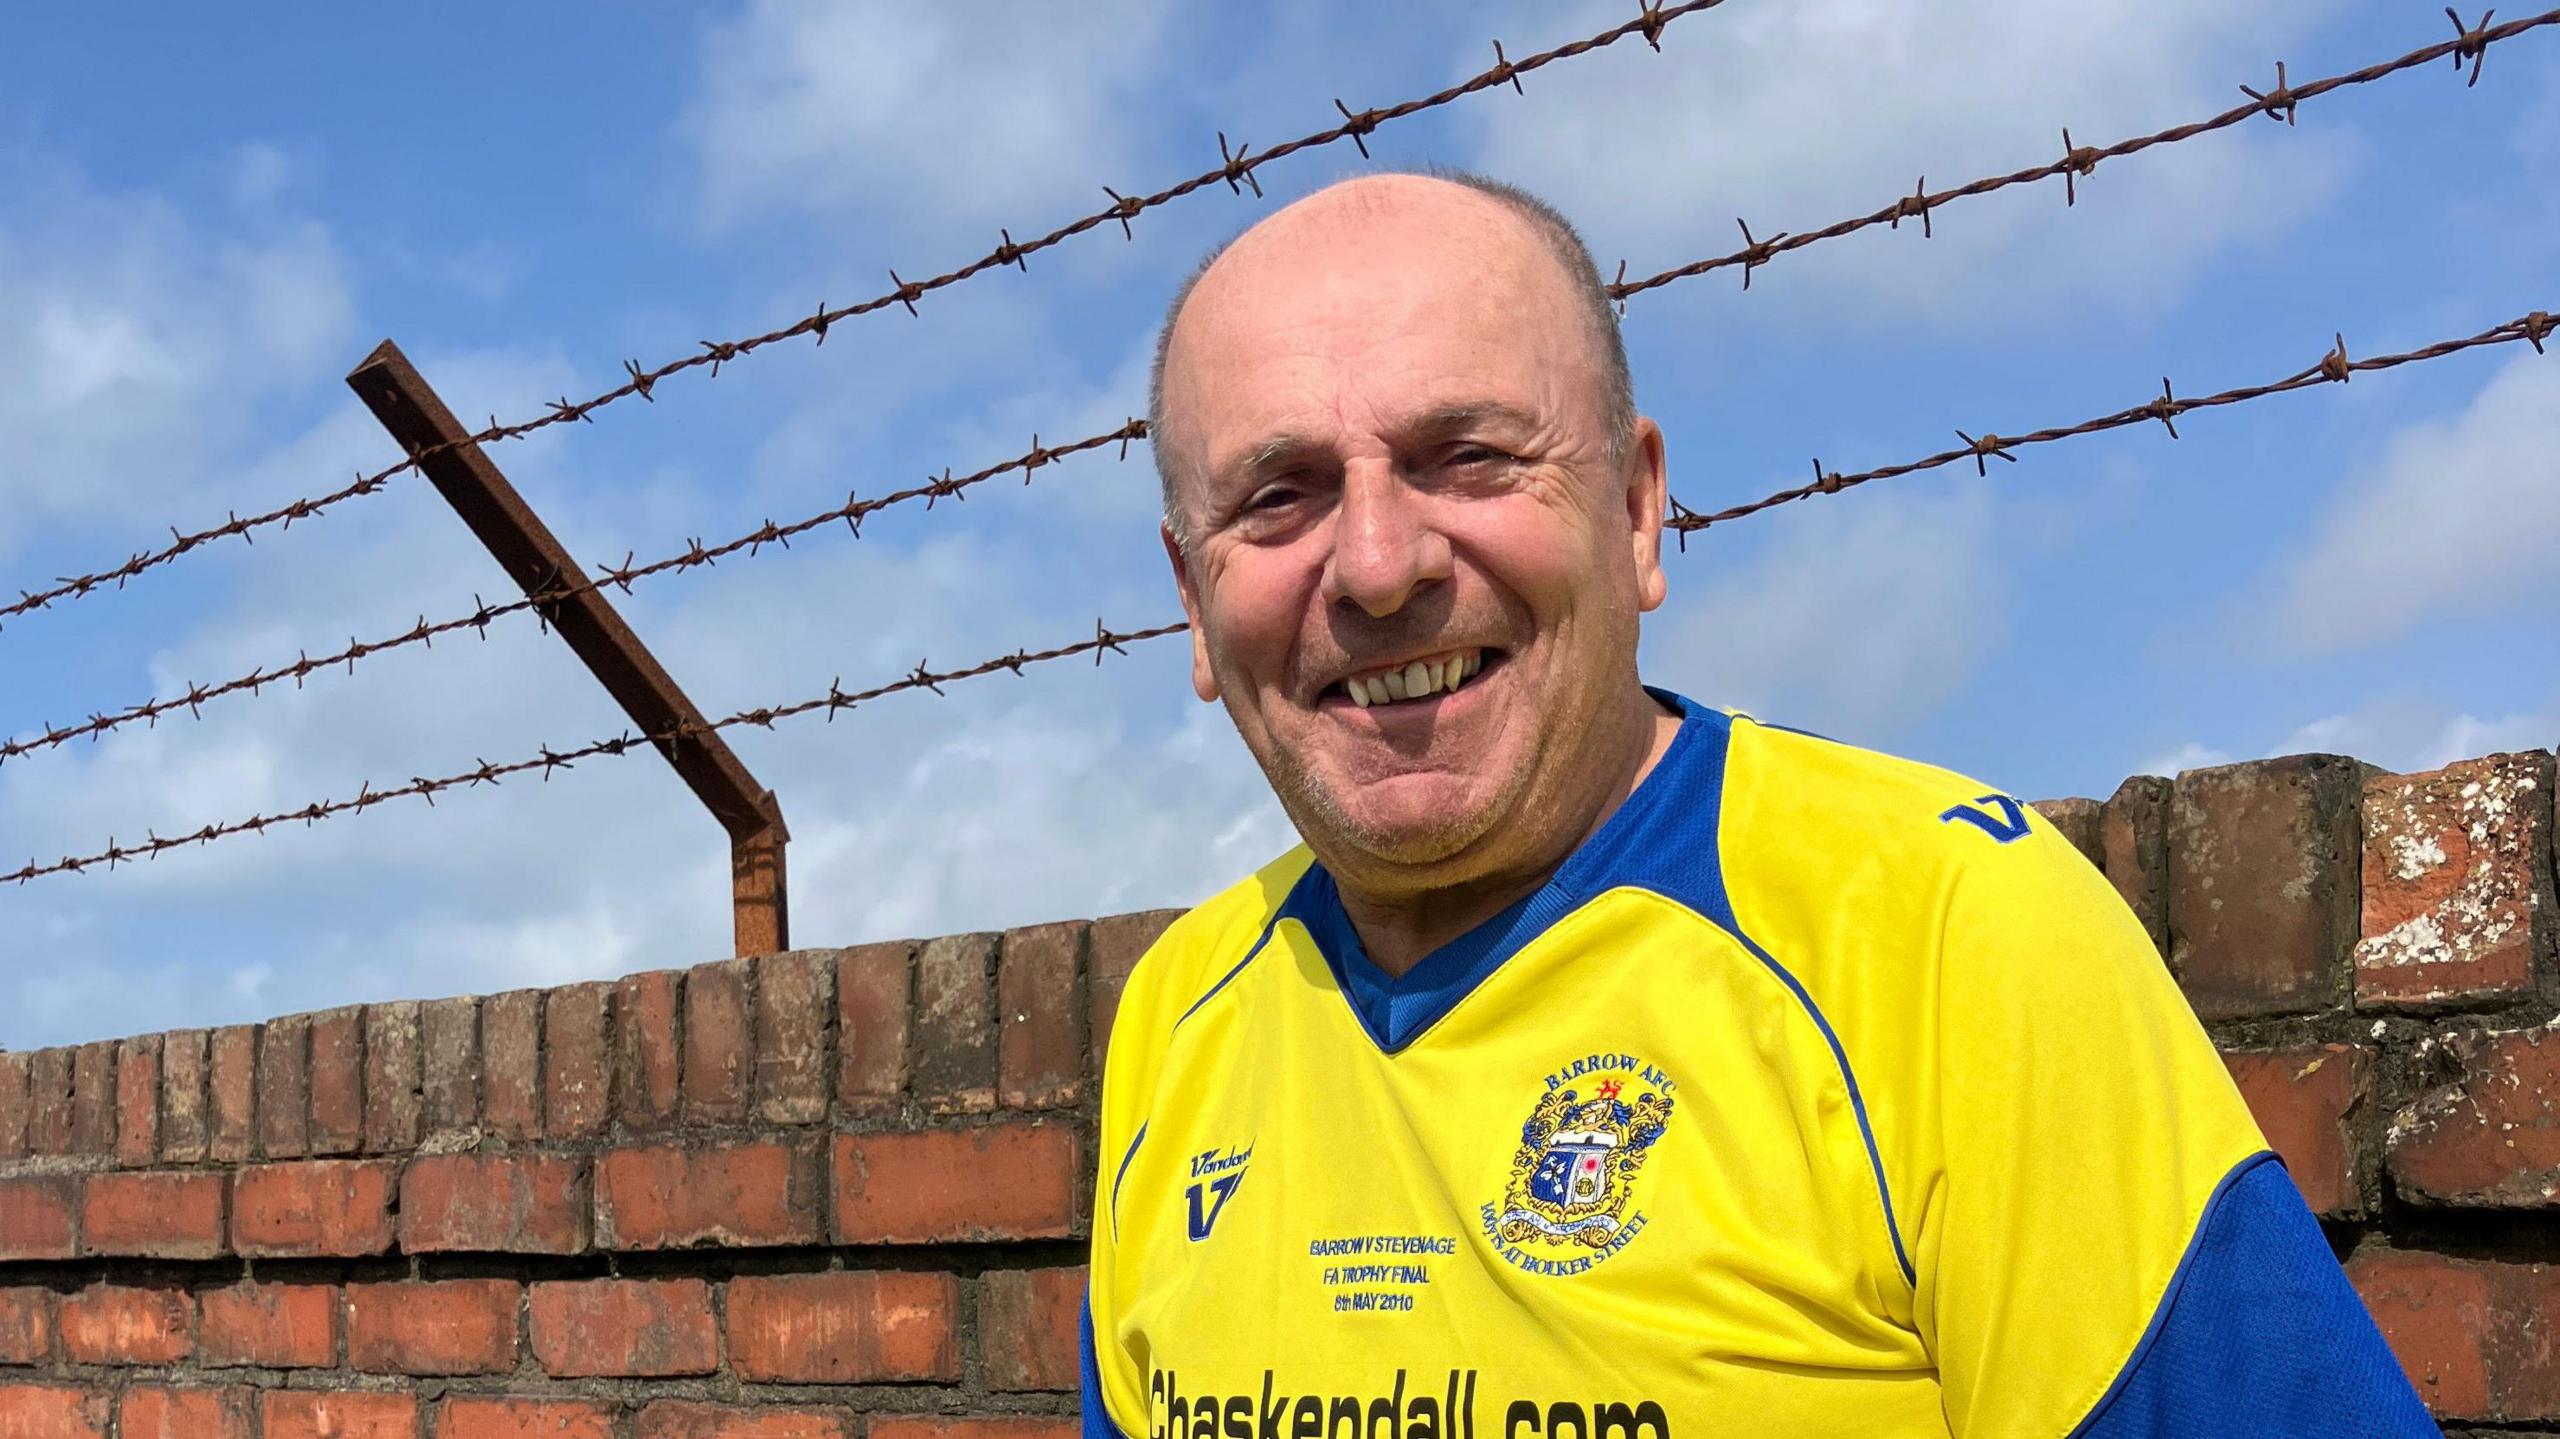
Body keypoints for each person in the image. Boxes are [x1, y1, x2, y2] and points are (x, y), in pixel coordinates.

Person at [1083, 171, 2436, 1439]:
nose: (1377, 566)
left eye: (1468, 456)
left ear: (1632, 511)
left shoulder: (1946, 937)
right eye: (1278, 497)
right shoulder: (1176, 1015)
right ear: (1193, 602)